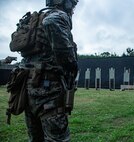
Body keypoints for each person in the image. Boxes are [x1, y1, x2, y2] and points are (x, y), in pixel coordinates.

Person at [16, 0, 78, 141]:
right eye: (72, 5)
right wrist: (70, 63)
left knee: (36, 137)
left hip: (28, 87)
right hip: (48, 90)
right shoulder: (58, 15)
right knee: (57, 138)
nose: (73, 10)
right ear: (65, 3)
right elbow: (51, 22)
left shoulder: (34, 20)